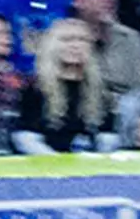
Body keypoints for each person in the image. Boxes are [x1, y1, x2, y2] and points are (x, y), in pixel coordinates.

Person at [22, 18, 108, 149]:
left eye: (82, 40)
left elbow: (107, 135)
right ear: (52, 45)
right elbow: (25, 137)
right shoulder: (36, 88)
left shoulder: (99, 89)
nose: (75, 45)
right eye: (67, 40)